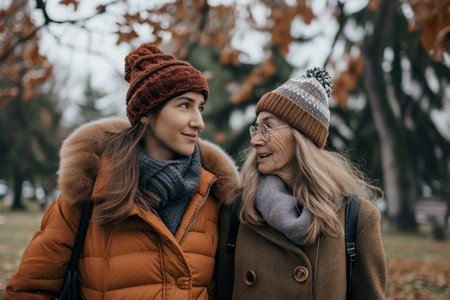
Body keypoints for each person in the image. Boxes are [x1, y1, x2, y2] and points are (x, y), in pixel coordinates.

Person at [5, 43, 239, 300]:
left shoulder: (213, 195)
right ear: (147, 113)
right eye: (185, 105)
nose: (199, 121)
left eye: (200, 107)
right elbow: (30, 290)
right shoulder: (89, 192)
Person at [215, 67, 387, 299]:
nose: (255, 140)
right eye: (256, 128)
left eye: (267, 127)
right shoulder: (237, 210)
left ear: (301, 136)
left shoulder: (357, 218)